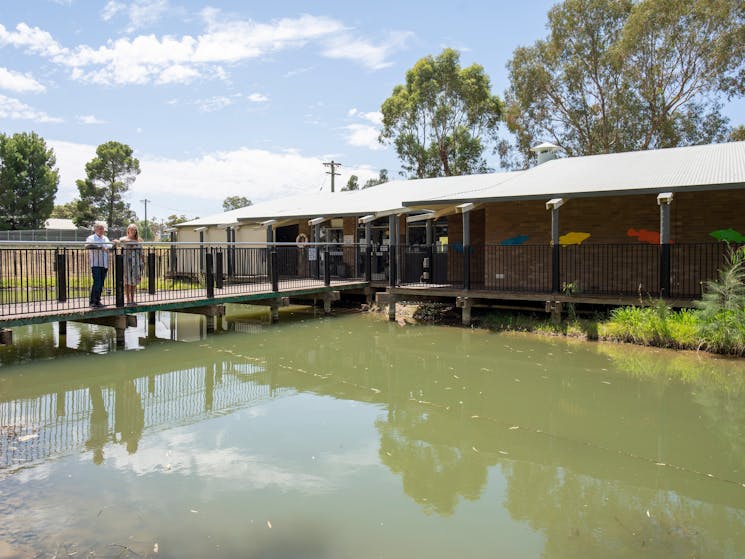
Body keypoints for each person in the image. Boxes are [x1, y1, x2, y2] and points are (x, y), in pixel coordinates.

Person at [86, 222, 111, 308]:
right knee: (97, 283)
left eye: (102, 229)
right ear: (95, 229)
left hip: (104, 264)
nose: (101, 230)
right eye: (100, 228)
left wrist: (114, 244)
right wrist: (100, 247)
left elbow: (109, 247)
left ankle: (98, 301)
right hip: (96, 264)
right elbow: (87, 246)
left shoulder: (105, 238)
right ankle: (92, 302)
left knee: (101, 284)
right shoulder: (91, 238)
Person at [119, 224, 144, 306]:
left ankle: (133, 299)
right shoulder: (124, 239)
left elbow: (141, 252)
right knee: (126, 281)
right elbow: (119, 241)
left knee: (134, 282)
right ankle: (128, 299)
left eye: (134, 229)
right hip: (127, 263)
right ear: (128, 230)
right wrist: (130, 241)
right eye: (131, 229)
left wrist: (142, 262)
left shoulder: (139, 240)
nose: (133, 231)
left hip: (136, 263)